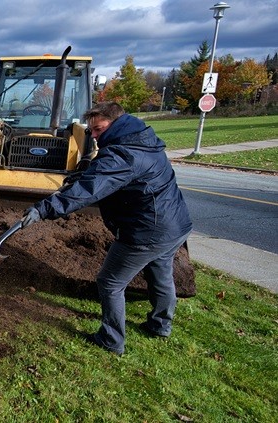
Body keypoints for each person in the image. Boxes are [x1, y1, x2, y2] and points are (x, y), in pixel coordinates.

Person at [21, 102, 192, 355]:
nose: (96, 137)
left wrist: (45, 208)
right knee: (160, 272)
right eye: (92, 131)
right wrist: (80, 177)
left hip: (147, 231)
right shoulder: (142, 142)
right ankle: (160, 325)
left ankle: (111, 340)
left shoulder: (124, 154)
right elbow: (109, 174)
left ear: (116, 123)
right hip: (175, 225)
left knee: (110, 282)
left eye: (99, 129)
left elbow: (94, 187)